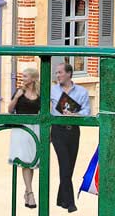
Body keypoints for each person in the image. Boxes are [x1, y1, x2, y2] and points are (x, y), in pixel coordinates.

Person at [48, 65, 91, 213]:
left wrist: (75, 115)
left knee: (69, 167)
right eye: (56, 72)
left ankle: (61, 199)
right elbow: (45, 110)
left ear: (69, 74)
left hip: (73, 131)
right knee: (64, 165)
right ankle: (71, 203)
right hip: (57, 131)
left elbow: (86, 111)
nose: (57, 75)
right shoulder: (52, 90)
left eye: (60, 72)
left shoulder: (82, 92)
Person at [9, 69, 43, 209]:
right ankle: (30, 193)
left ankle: (27, 191)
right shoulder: (19, 92)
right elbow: (10, 110)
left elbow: (45, 111)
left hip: (35, 129)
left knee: (32, 161)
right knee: (25, 161)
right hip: (21, 130)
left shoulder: (40, 94)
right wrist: (16, 97)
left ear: (33, 78)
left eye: (25, 75)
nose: (22, 77)